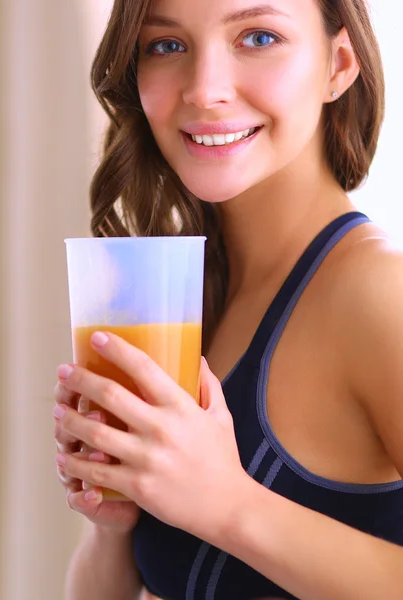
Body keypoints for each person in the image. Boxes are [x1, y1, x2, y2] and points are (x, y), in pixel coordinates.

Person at [53, 0, 403, 598]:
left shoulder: (378, 294)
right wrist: (116, 520)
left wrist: (227, 505)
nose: (205, 89)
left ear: (338, 65)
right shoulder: (183, 296)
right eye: (166, 46)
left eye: (259, 37)